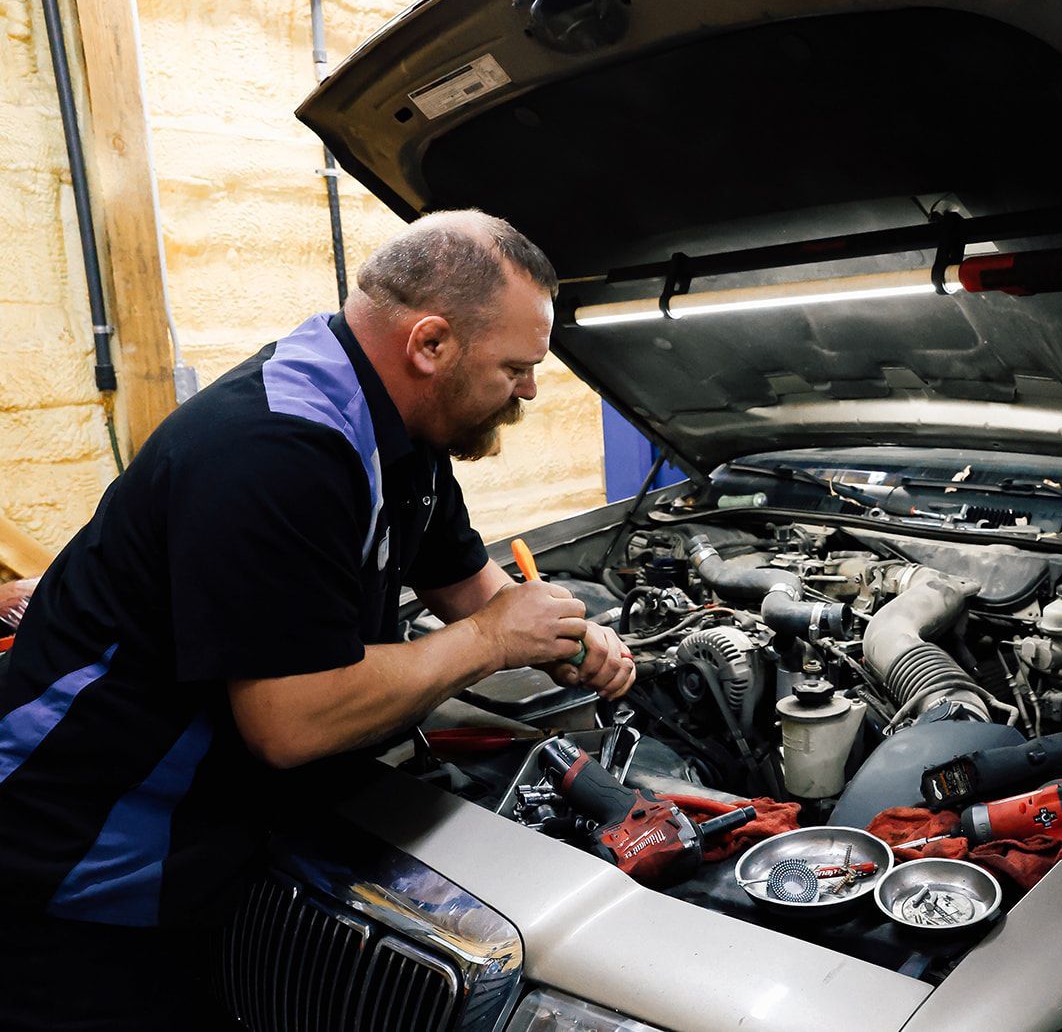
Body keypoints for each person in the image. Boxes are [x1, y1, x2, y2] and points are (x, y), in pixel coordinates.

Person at [0, 210, 634, 1029]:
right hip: (84, 863)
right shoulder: (275, 447)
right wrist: (486, 642)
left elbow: (466, 581)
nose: (529, 390)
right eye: (515, 366)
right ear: (431, 344)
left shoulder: (405, 426)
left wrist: (575, 642)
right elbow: (289, 720)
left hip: (212, 839)